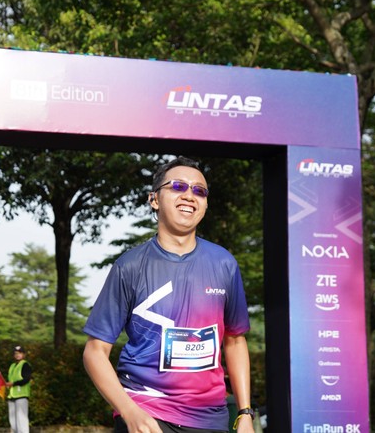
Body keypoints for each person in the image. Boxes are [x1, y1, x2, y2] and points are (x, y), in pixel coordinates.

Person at [83, 156, 257, 433]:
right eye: (178, 186)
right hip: (146, 412)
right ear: (154, 199)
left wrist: (245, 413)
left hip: (210, 419)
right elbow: (94, 351)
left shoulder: (224, 263)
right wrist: (129, 411)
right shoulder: (129, 266)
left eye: (199, 190)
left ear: (205, 204)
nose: (189, 195)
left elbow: (235, 340)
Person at [4, 344, 32, 433]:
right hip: (12, 396)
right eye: (16, 353)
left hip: (21, 395)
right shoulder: (12, 366)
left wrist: (13, 383)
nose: (17, 355)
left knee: (21, 420)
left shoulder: (25, 365)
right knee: (13, 422)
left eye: (20, 353)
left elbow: (26, 379)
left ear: (24, 354)